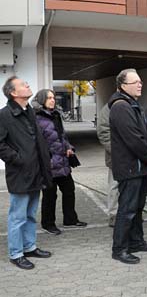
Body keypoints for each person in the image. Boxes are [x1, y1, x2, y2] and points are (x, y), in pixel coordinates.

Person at [1, 76, 54, 270]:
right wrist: (18, 158)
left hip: (36, 171)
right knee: (18, 216)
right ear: (13, 93)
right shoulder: (4, 115)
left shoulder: (30, 111)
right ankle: (16, 253)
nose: (28, 85)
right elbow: (0, 145)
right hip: (20, 173)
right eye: (23, 85)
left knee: (31, 214)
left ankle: (29, 246)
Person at [108, 69, 147, 265]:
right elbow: (133, 139)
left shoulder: (132, 104)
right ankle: (119, 249)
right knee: (127, 209)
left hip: (139, 167)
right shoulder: (121, 107)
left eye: (140, 81)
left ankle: (136, 242)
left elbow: (145, 133)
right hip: (131, 168)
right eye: (135, 82)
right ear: (122, 86)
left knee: (137, 208)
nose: (140, 84)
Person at [33, 89, 86, 235]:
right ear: (42, 99)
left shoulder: (55, 115)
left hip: (62, 161)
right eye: (49, 98)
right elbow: (36, 142)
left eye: (53, 98)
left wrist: (69, 147)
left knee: (69, 190)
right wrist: (47, 158)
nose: (52, 100)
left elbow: (62, 136)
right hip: (48, 164)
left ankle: (70, 220)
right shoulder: (36, 118)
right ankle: (48, 224)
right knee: (50, 195)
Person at [96, 103, 117, 227]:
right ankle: (114, 214)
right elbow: (103, 132)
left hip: (132, 157)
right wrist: (116, 151)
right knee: (115, 185)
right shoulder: (110, 107)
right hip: (116, 157)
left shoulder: (134, 105)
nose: (139, 85)